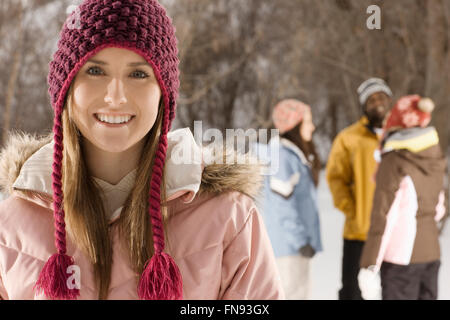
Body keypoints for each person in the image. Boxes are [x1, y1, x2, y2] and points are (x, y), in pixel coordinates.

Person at [0, 0, 284, 300]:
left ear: (163, 93)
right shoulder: (10, 226)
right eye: (95, 70)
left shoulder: (228, 218)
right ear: (66, 88)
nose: (115, 97)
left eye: (138, 74)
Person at [359, 95, 446, 300]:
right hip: (431, 255)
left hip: (401, 261)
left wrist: (369, 264)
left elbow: (384, 216)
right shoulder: (435, 156)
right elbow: (439, 209)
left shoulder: (394, 161)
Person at [326, 78, 393, 300]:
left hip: (393, 233)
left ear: (389, 100)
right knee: (352, 292)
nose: (377, 103)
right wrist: (352, 210)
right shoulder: (349, 137)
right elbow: (336, 177)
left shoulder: (399, 134)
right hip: (359, 231)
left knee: (392, 290)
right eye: (371, 100)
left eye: (381, 97)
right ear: (364, 106)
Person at [252, 99, 322, 299]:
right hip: (289, 248)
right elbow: (283, 207)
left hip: (294, 247)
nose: (313, 126)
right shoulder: (283, 158)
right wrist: (300, 241)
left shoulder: (291, 155)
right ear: (294, 125)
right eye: (308, 121)